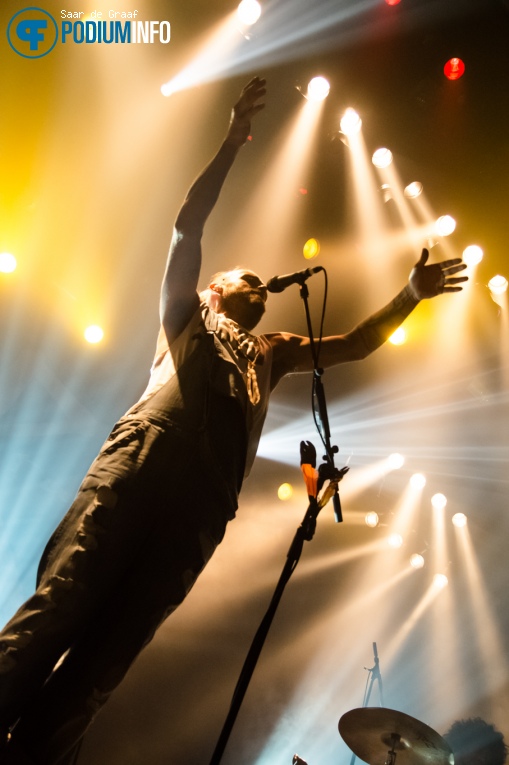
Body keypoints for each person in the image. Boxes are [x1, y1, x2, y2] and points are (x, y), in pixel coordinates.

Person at [0, 76, 468, 765]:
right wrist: (229, 142)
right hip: (143, 463)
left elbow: (358, 344)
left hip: (201, 509)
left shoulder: (274, 352)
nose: (258, 285)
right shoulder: (188, 315)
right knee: (61, 609)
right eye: (244, 278)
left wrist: (407, 294)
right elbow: (187, 224)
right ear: (217, 288)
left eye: (257, 282)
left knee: (101, 668)